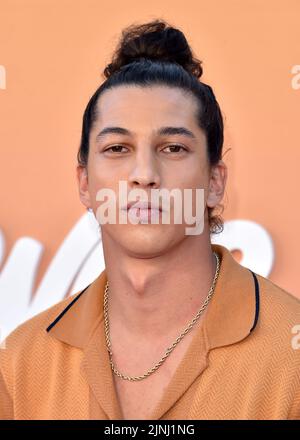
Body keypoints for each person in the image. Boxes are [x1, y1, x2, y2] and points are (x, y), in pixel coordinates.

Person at [0, 19, 300, 421]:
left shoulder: (291, 355)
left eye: (173, 147)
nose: (144, 173)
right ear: (85, 183)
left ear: (214, 182)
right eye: (118, 147)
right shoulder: (22, 363)